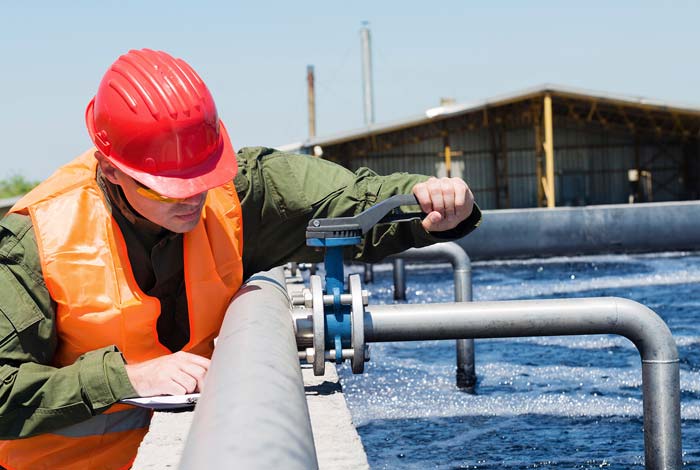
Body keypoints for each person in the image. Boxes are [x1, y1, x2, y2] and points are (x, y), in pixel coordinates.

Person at [0, 49, 480, 469]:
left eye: (202, 177)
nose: (192, 198)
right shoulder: (35, 239)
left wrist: (424, 203)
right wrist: (124, 377)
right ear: (111, 170)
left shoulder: (239, 190)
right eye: (170, 188)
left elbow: (344, 202)